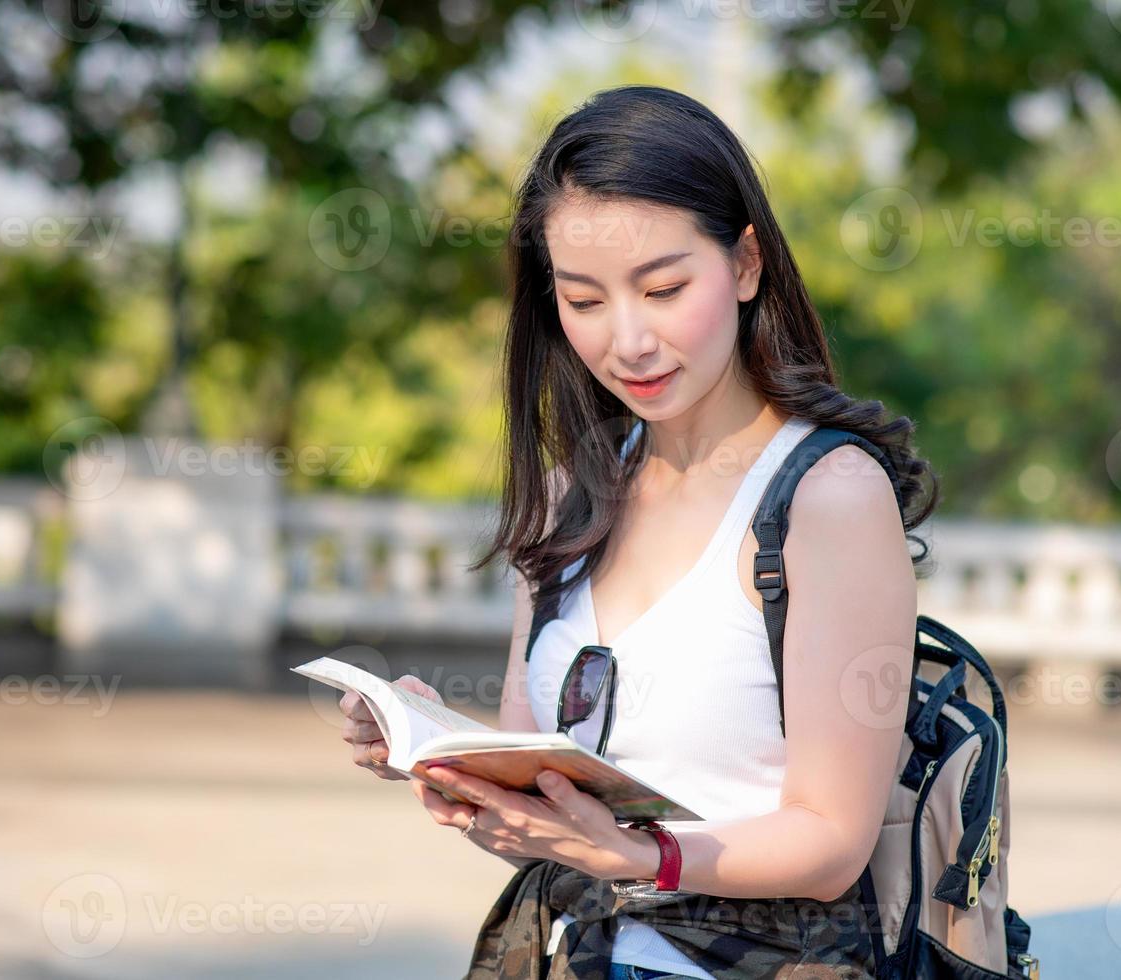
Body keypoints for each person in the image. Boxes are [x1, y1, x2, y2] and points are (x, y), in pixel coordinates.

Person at [339, 84, 938, 980]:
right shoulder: (564, 499)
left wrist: (644, 857)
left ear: (744, 265)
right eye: (583, 301)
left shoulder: (828, 497)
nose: (629, 341)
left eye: (663, 288)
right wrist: (445, 764)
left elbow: (831, 842)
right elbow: (546, 833)